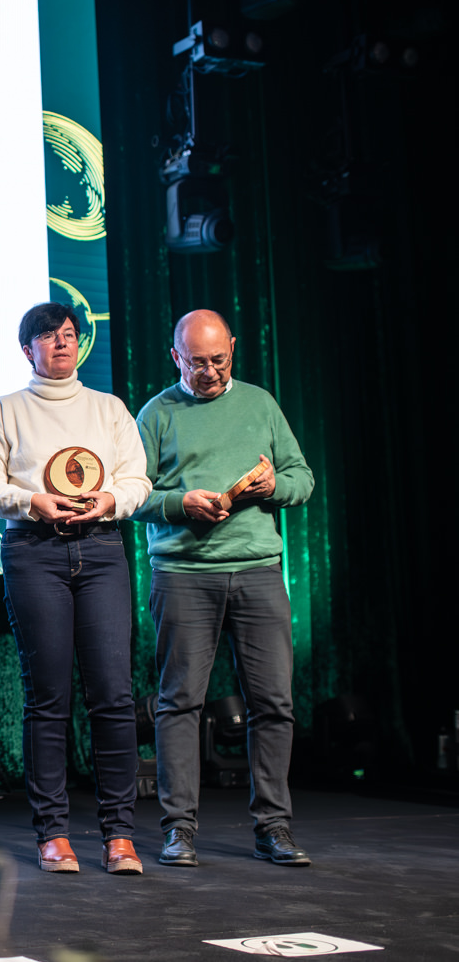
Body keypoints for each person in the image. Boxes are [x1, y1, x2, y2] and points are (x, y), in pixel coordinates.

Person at [133, 309, 315, 867]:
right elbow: (132, 495)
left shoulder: (260, 403)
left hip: (258, 571)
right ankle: (178, 830)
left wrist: (274, 484)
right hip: (184, 575)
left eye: (219, 360)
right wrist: (179, 503)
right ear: (175, 357)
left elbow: (303, 479)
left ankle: (273, 827)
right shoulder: (157, 413)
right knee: (179, 704)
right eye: (197, 362)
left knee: (273, 704)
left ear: (232, 348)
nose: (209, 371)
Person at [0, 303, 151, 875]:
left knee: (114, 695)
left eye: (69, 334)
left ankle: (119, 835)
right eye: (48, 336)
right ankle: (53, 833)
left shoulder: (109, 408)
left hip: (101, 549)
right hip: (34, 550)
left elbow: (137, 479)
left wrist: (109, 501)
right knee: (47, 697)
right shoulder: (6, 409)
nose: (61, 343)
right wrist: (33, 501)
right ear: (27, 349)